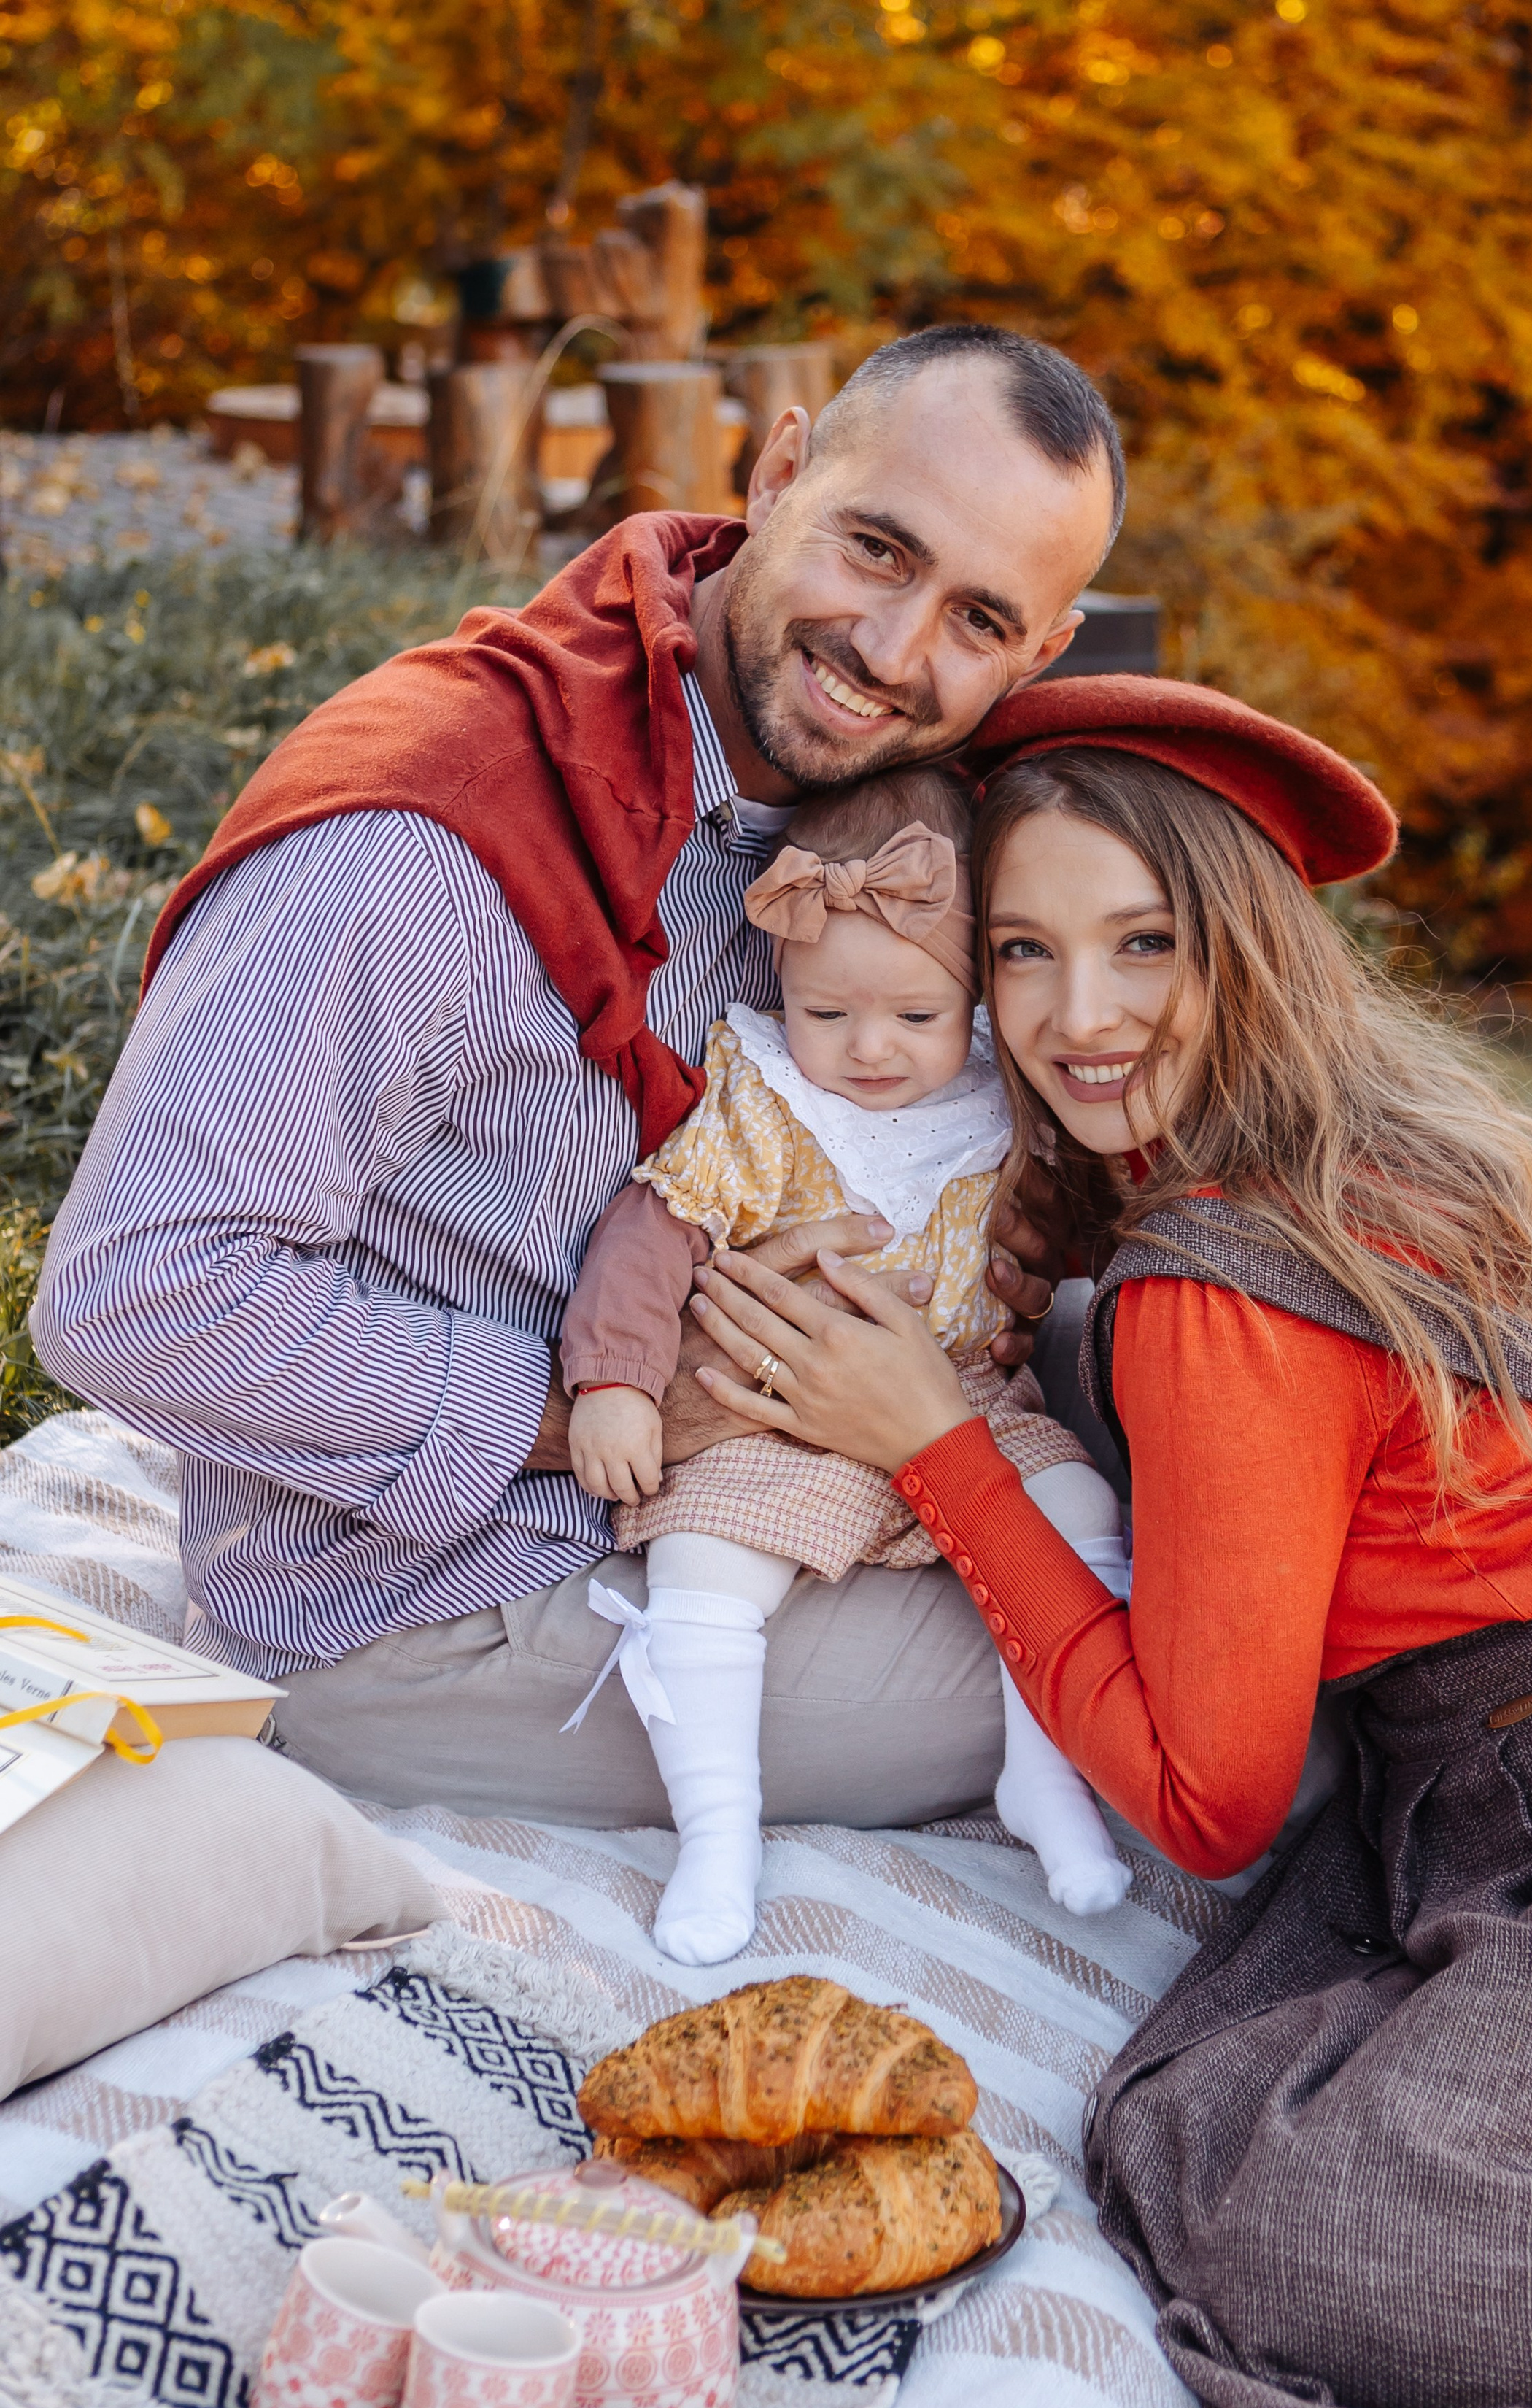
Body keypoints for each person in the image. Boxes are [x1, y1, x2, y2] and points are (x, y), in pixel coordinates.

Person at [680, 670, 1532, 2408]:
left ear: (1241, 938)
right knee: (1217, 2123)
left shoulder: (1218, 1289)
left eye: (1144, 940)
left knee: (1299, 2228)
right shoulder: (1349, 1138)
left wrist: (932, 1446)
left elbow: (1207, 1802)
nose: (1080, 1017)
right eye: (1023, 952)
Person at [30, 326, 1121, 1834]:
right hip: (447, 1588)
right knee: (1163, 1678)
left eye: (976, 619)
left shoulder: (889, 823)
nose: (892, 648)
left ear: (1040, 652)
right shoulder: (423, 845)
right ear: (781, 467)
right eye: (876, 547)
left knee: (1182, 1399)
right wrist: (604, 1404)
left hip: (789, 1454)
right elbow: (130, 1295)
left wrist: (993, 1238)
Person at [560, 760, 1127, 1964]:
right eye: (830, 1015)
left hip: (964, 1400)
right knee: (703, 1571)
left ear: (972, 998)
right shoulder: (770, 1103)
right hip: (781, 1419)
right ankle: (720, 1829)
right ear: (785, 988)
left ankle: (1048, 1777)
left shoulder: (999, 1094)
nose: (870, 1051)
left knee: (1080, 1511)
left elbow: (1070, 1216)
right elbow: (652, 1234)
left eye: (914, 1018)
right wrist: (611, 1380)